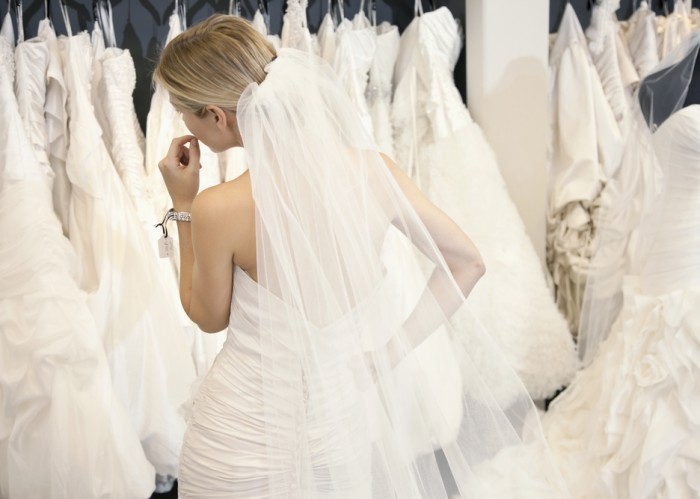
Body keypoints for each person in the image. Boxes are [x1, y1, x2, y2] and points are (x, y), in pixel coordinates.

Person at [155, 13, 569, 499]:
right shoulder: (375, 173)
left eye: (183, 111)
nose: (184, 124)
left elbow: (207, 317)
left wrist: (183, 205)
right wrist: (386, 354)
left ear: (216, 115)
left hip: (241, 434)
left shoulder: (219, 207)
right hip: (338, 428)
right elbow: (468, 264)